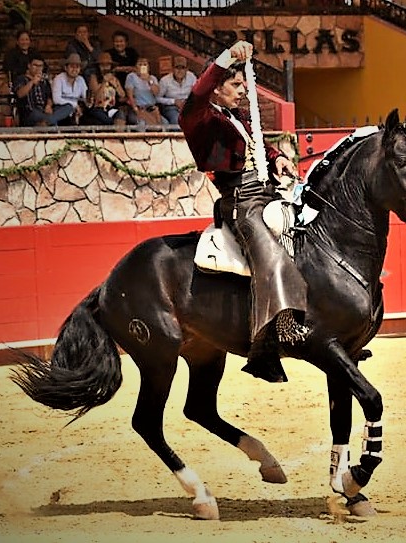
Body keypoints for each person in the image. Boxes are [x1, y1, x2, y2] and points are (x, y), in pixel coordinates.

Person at [178, 40, 305, 383]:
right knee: (269, 256)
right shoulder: (198, 117)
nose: (243, 90)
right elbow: (198, 92)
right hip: (240, 202)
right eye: (235, 84)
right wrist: (226, 57)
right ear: (216, 89)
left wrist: (278, 158)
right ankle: (265, 345)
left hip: (265, 192)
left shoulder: (237, 117)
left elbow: (258, 145)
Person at [14, 57, 71, 126]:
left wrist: (48, 105)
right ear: (29, 66)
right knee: (42, 116)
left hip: (44, 111)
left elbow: (50, 96)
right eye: (35, 65)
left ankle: (48, 121)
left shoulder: (44, 81)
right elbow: (20, 94)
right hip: (30, 112)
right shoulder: (21, 78)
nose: (38, 68)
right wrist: (32, 82)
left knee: (68, 107)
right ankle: (50, 121)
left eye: (40, 66)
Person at [125, 57, 164, 127]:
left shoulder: (152, 78)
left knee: (165, 123)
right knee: (144, 124)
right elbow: (130, 96)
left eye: (145, 65)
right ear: (136, 67)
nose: (142, 66)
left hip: (151, 108)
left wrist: (149, 80)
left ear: (148, 67)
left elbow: (156, 93)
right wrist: (136, 110)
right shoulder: (131, 76)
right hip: (138, 108)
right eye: (140, 64)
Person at [157, 55, 196, 125]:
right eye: (177, 68)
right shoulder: (165, 80)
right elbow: (157, 98)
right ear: (172, 69)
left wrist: (188, 102)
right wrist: (173, 101)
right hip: (171, 107)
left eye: (182, 68)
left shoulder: (192, 77)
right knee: (177, 120)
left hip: (188, 105)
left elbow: (197, 93)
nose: (180, 71)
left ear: (187, 69)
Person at [52, 53, 88, 125]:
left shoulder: (81, 80)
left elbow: (85, 97)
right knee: (68, 108)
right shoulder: (59, 79)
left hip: (76, 111)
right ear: (66, 68)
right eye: (72, 66)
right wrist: (74, 105)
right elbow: (56, 99)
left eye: (77, 67)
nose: (74, 69)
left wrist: (86, 104)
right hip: (61, 109)